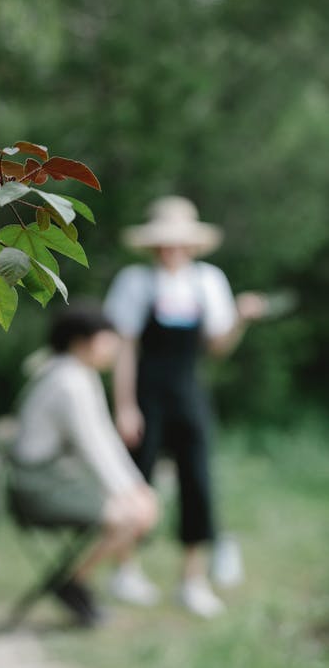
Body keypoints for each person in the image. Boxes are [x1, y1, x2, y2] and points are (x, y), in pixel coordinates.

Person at [104, 196, 265, 618]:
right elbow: (124, 350)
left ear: (191, 245)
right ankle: (127, 570)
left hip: (189, 392)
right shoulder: (135, 282)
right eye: (164, 242)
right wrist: (124, 406)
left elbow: (217, 347)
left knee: (198, 482)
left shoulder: (208, 281)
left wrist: (240, 319)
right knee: (135, 480)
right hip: (144, 396)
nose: (171, 249)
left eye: (178, 242)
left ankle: (192, 580)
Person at [9, 302, 159, 626]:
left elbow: (104, 439)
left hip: (57, 479)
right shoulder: (68, 381)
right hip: (38, 487)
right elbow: (93, 446)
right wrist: (131, 494)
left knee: (134, 510)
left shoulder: (74, 374)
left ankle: (73, 583)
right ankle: (72, 583)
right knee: (128, 517)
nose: (114, 348)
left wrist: (135, 488)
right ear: (82, 341)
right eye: (108, 339)